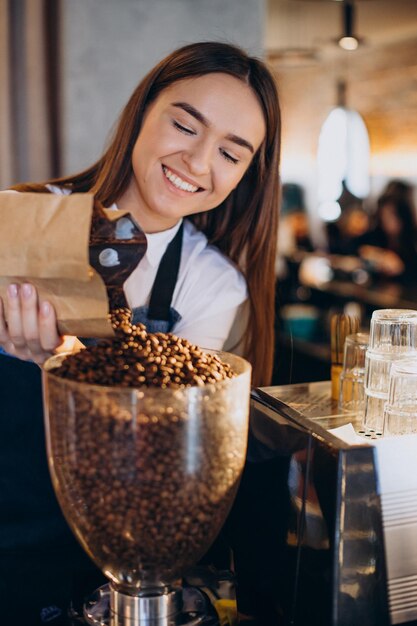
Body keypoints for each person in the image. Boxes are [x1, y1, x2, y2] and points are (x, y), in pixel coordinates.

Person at [0, 41, 281, 624]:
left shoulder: (212, 287)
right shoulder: (21, 219)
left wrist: (64, 360)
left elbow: (171, 460)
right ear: (142, 112)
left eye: (231, 154)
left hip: (108, 566)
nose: (199, 162)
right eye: (184, 125)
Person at [357, 190, 417, 284]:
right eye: (383, 215)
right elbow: (358, 248)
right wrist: (380, 256)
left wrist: (400, 268)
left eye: (391, 215)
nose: (386, 221)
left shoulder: (412, 241)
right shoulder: (378, 234)